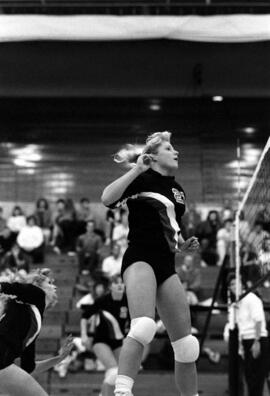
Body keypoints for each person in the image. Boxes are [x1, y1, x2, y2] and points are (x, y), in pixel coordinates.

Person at [101, 131, 200, 396]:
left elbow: (170, 226)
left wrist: (181, 244)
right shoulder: (141, 178)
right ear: (153, 157)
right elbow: (107, 198)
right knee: (143, 325)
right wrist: (136, 169)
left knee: (188, 345)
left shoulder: (178, 190)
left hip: (166, 263)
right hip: (140, 258)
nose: (176, 151)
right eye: (169, 148)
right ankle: (122, 392)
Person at [0, 268, 74, 396]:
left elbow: (29, 368)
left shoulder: (31, 317)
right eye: (49, 283)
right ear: (38, 286)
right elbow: (14, 287)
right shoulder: (37, 294)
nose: (54, 286)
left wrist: (59, 358)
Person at [80, 275, 130, 396]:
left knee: (123, 375)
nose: (119, 285)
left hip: (118, 342)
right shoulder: (103, 300)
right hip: (101, 341)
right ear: (110, 287)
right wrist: (84, 335)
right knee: (114, 371)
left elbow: (133, 322)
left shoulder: (128, 301)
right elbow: (84, 316)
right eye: (116, 283)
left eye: (121, 283)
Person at [225, 275, 269, 396]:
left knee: (257, 378)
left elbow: (259, 320)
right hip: (245, 341)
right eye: (231, 284)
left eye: (236, 283)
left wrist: (256, 342)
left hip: (256, 339)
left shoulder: (251, 298)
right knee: (249, 377)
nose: (234, 286)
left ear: (242, 284)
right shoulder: (237, 302)